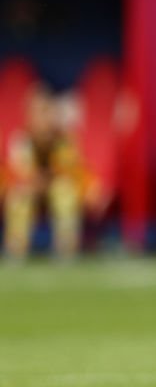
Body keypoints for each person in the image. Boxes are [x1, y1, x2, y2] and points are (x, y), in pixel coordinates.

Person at [2, 84, 97, 260]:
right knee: (18, 196)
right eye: (37, 113)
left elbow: (72, 170)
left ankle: (66, 246)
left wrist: (91, 189)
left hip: (54, 187)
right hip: (30, 189)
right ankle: (16, 246)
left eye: (46, 113)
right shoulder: (21, 139)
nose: (43, 120)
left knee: (65, 191)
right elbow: (20, 173)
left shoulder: (63, 140)